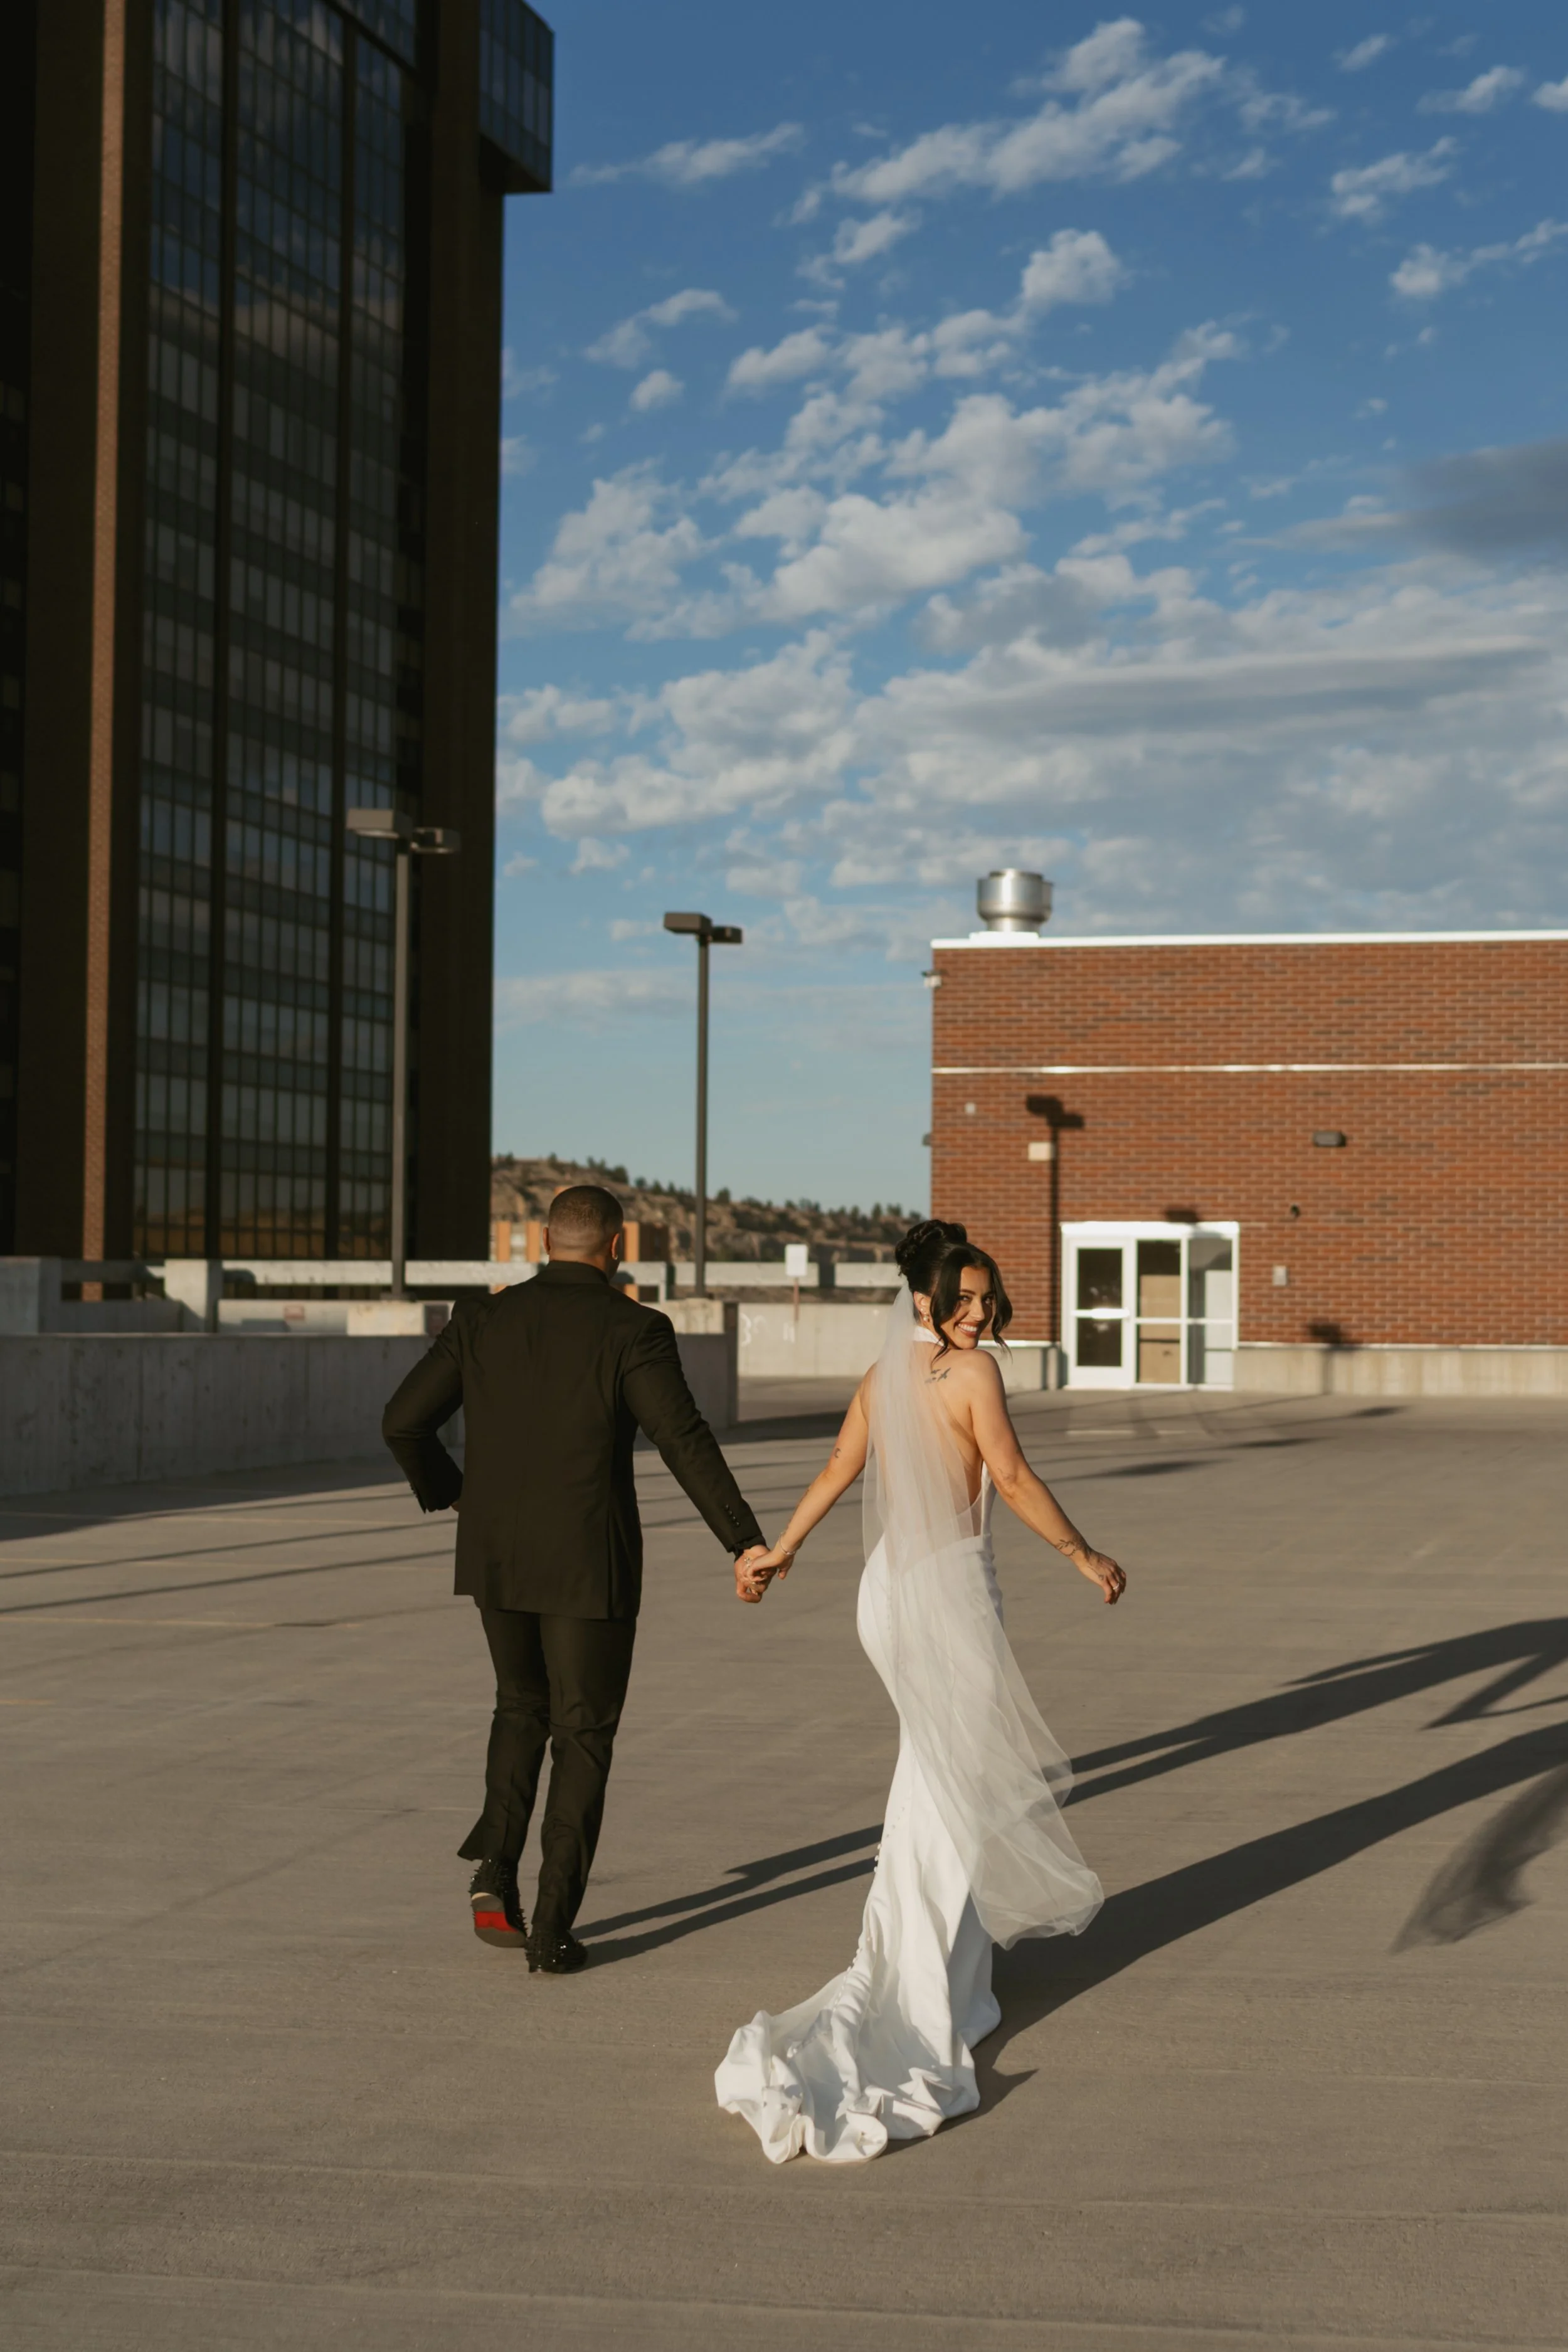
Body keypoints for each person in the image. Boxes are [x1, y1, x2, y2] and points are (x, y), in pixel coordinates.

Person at [715, 1218, 1125, 2163]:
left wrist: (780, 1551)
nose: (981, 1315)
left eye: (989, 1298)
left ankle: (932, 1965)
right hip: (945, 1591)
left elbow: (835, 1467)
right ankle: (919, 1990)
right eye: (966, 1299)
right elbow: (1011, 1477)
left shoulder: (884, 1375)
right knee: (952, 1780)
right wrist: (1083, 1554)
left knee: (934, 1772)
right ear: (928, 1299)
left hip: (885, 1593)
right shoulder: (970, 1375)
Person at [382, 1184, 769, 1974]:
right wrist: (742, 1540)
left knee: (518, 1706)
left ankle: (497, 1870)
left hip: (497, 1555)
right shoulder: (634, 1329)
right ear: (617, 1249)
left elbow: (402, 1420)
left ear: (541, 1244)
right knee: (582, 1733)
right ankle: (551, 1928)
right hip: (588, 1563)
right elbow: (681, 1438)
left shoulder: (482, 1318)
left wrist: (458, 1495)